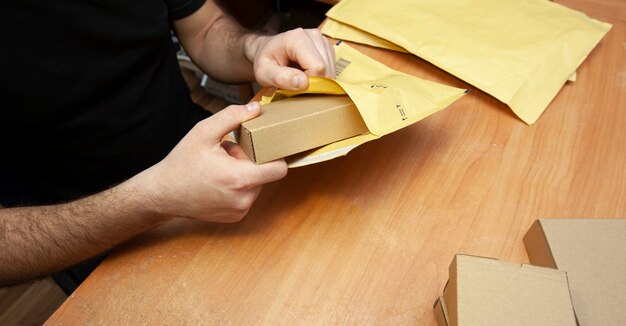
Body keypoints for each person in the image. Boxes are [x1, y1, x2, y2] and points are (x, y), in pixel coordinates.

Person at [0, 0, 335, 288]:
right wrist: (156, 197)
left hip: (211, 158)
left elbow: (205, 30)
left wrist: (255, 48)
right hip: (88, 229)